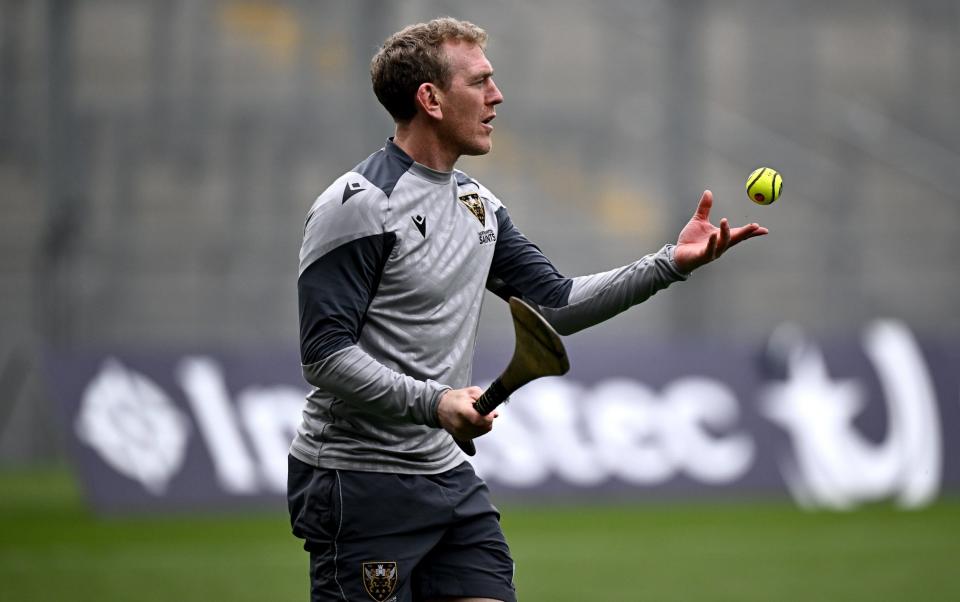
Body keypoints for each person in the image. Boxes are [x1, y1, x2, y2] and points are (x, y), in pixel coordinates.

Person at [287, 16, 767, 602]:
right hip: (357, 481)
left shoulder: (478, 206)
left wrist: (670, 262)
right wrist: (434, 402)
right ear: (430, 99)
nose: (497, 95)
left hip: (445, 475)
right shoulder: (357, 206)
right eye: (481, 81)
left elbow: (555, 305)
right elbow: (324, 356)